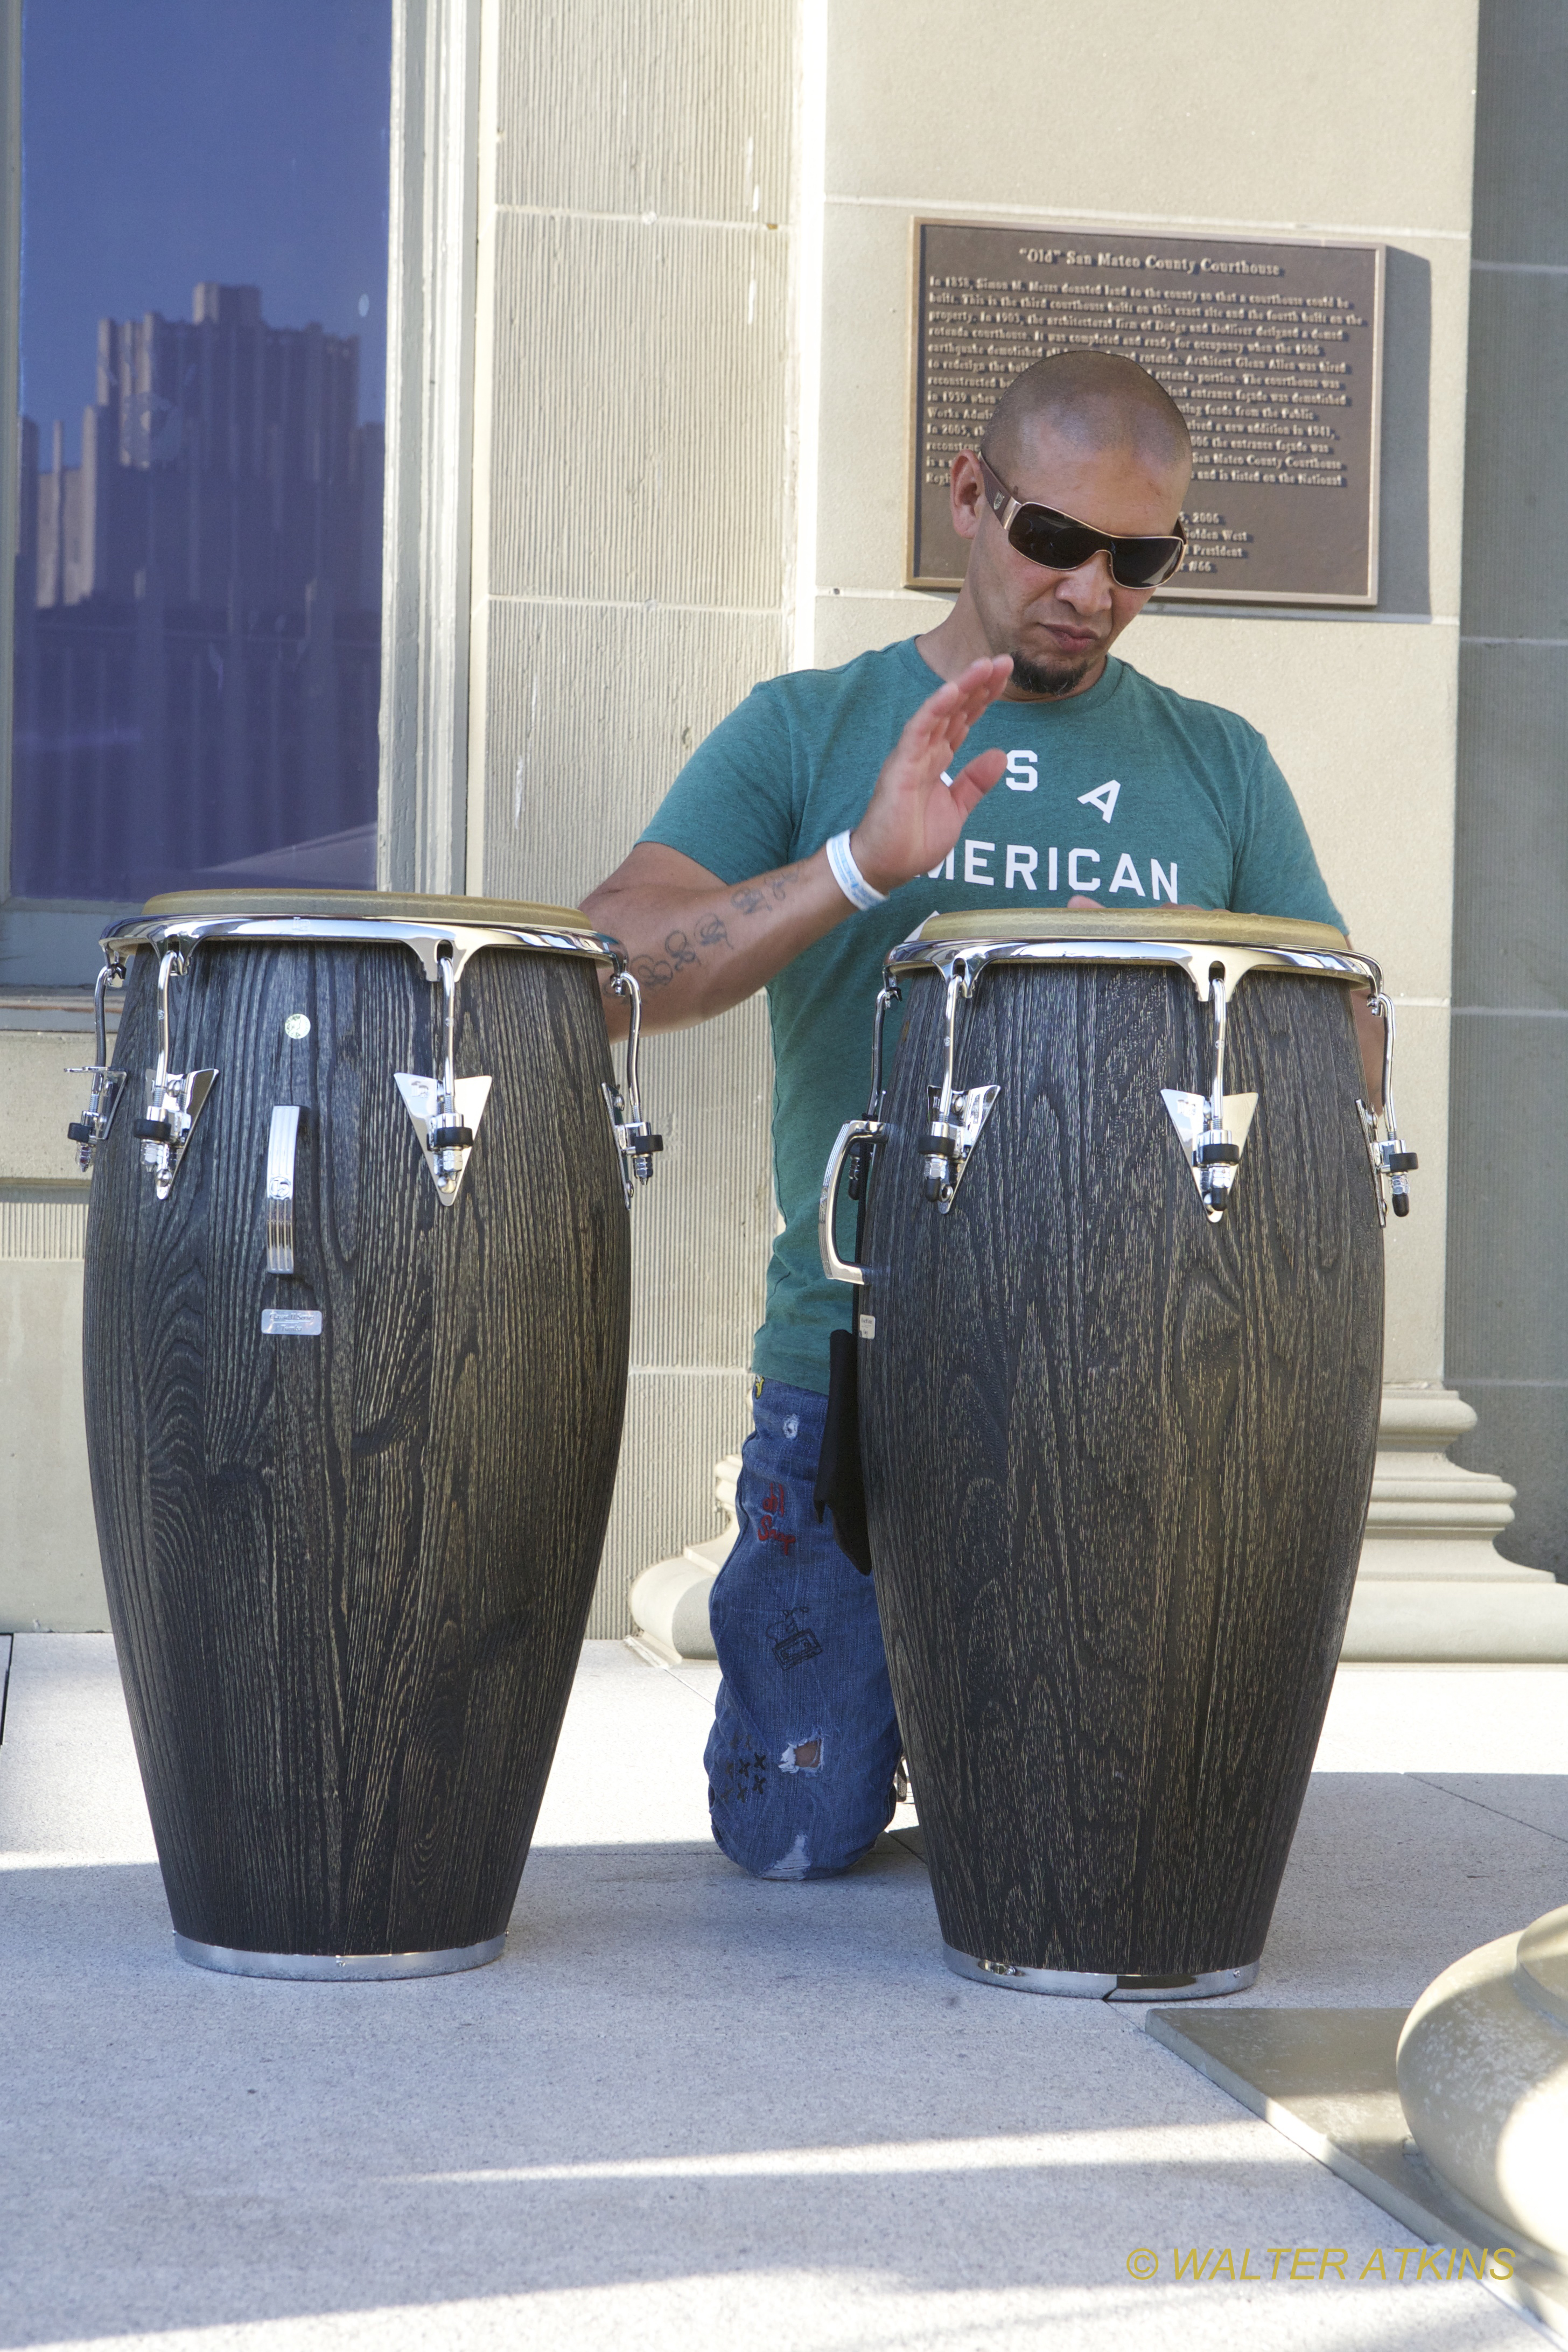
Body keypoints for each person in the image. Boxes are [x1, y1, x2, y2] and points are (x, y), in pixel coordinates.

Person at [583, 349, 1380, 1884]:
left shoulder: (1219, 764)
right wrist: (863, 869)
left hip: (1139, 1371)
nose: (1095, 590)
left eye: (1143, 560)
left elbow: (1351, 1050)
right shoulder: (814, 725)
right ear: (968, 495)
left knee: (1086, 1831)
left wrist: (1149, 980)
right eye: (1057, 541)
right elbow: (615, 965)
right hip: (859, 1363)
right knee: (792, 1836)